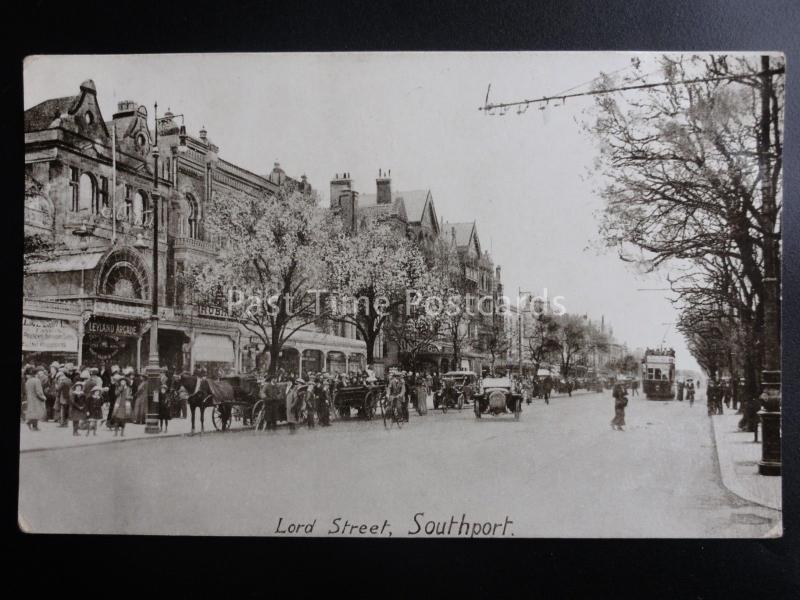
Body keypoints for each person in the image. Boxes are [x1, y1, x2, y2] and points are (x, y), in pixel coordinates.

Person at [24, 366, 47, 431]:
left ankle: (34, 426)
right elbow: (39, 392)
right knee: (37, 412)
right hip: (36, 399)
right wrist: (43, 397)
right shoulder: (37, 380)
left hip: (30, 399)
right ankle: (30, 423)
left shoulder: (28, 381)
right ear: (35, 373)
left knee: (33, 413)